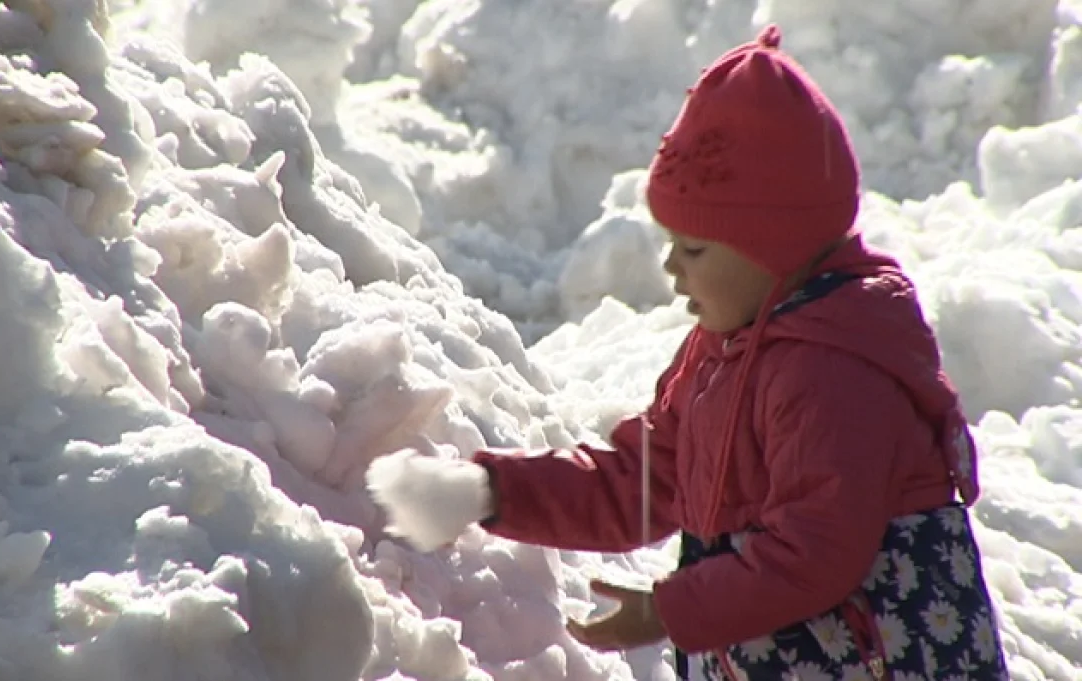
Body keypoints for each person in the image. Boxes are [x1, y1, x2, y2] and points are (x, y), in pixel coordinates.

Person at [366, 24, 1009, 681]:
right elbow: (639, 482)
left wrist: (670, 611)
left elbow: (814, 551)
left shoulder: (830, 371)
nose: (671, 268)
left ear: (773, 246)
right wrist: (493, 491)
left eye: (694, 249)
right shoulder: (722, 354)